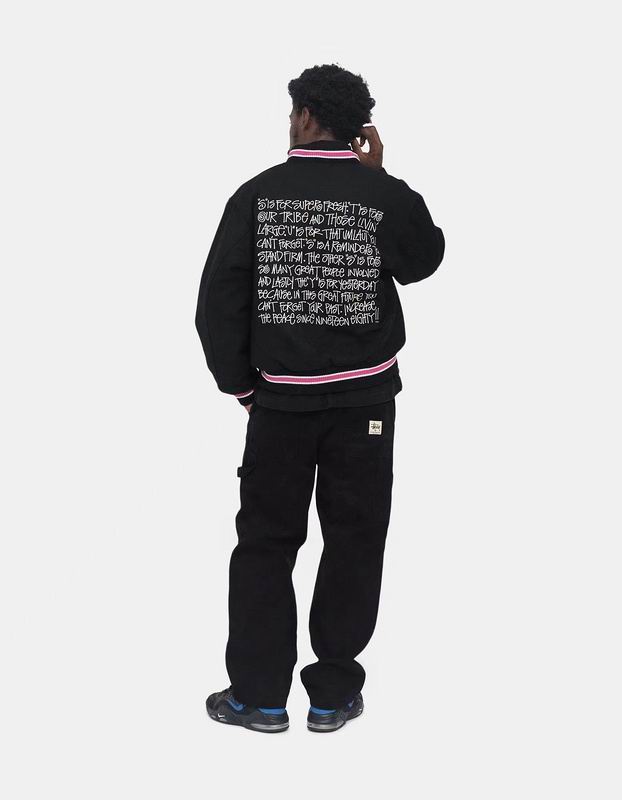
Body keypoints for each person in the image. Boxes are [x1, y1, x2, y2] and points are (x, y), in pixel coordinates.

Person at [196, 63, 445, 733]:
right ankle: (332, 696)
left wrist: (240, 385)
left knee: (266, 544)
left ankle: (259, 698)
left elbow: (218, 303)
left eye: (292, 113)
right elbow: (424, 260)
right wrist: (381, 178)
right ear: (355, 128)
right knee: (354, 541)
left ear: (306, 117)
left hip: (279, 406)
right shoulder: (380, 196)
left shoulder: (256, 196)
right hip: (366, 407)